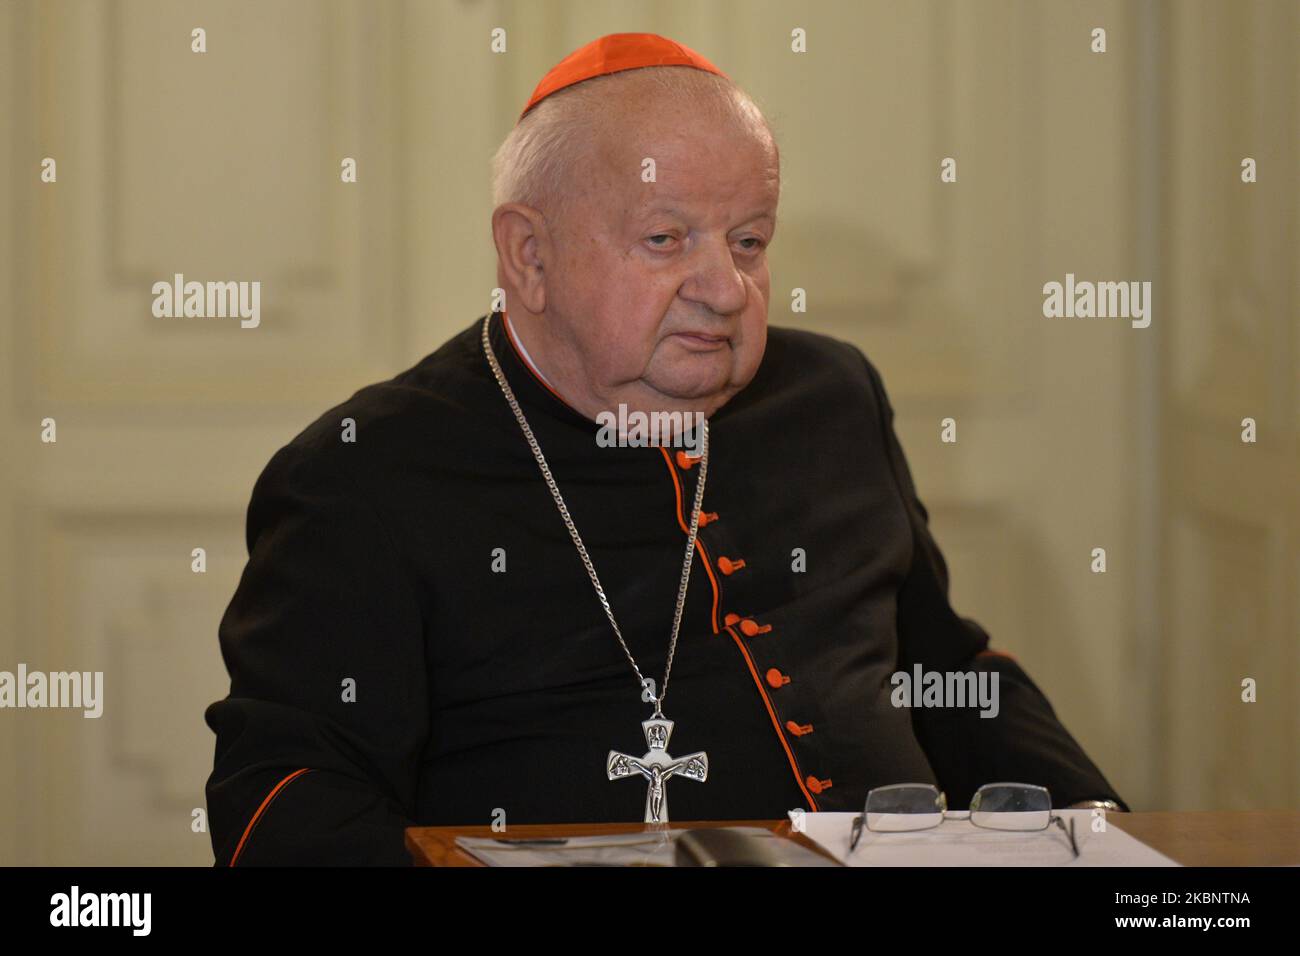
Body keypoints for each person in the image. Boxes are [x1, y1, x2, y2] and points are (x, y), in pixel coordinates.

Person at [204, 32, 1126, 866]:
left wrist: (1106, 838)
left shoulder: (832, 396)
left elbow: (945, 674)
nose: (726, 289)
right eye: (665, 239)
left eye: (750, 240)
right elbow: (288, 798)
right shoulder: (366, 472)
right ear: (528, 256)